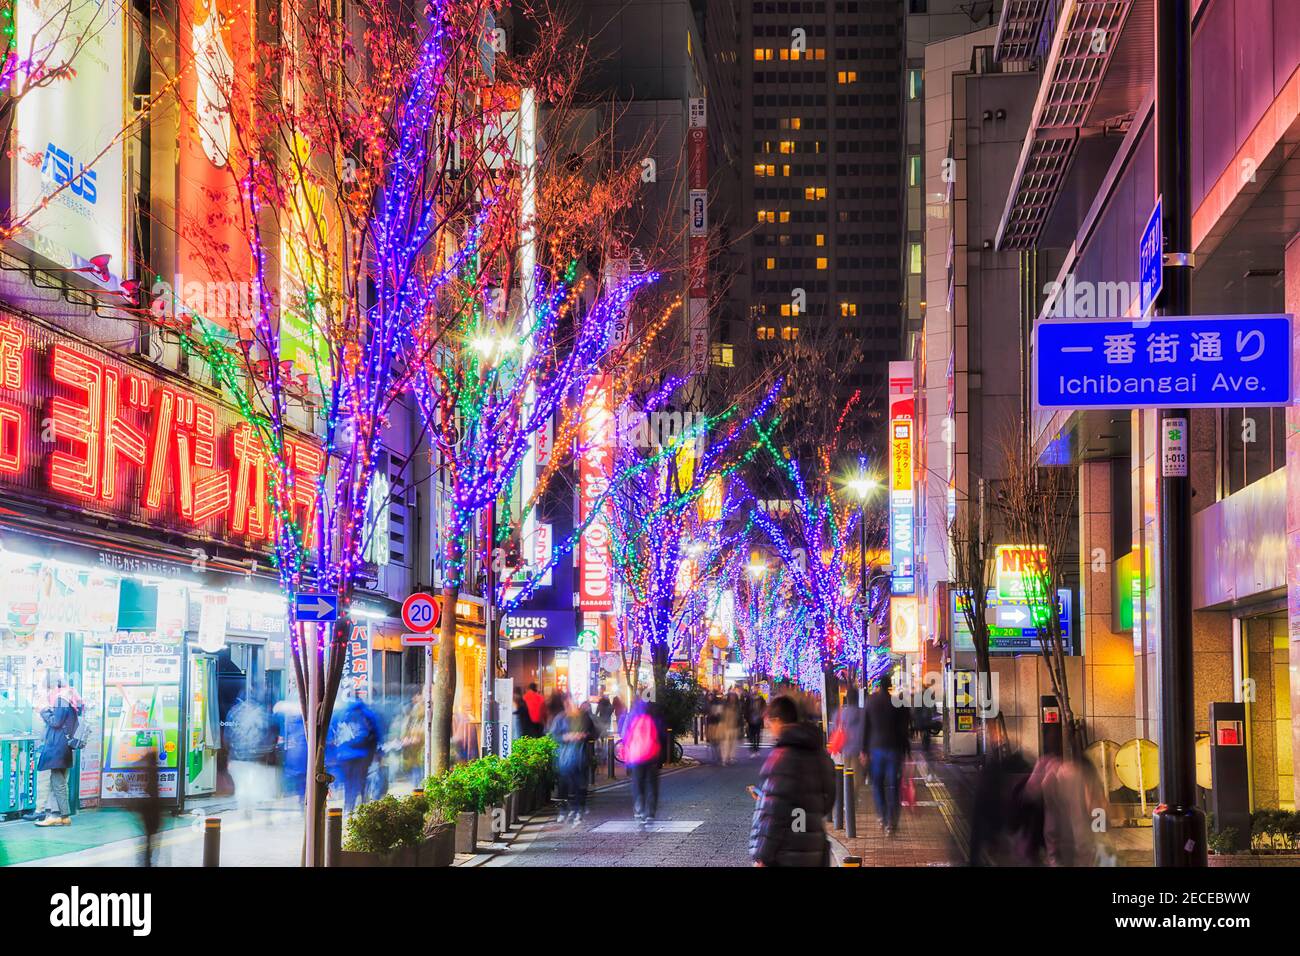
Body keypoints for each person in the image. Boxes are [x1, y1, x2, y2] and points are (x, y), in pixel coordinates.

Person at [748, 695, 836, 866]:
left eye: (769, 723)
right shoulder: (821, 755)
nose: (769, 728)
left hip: (785, 852)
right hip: (813, 849)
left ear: (778, 721)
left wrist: (762, 855)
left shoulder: (781, 758)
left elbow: (773, 813)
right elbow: (828, 802)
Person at [860, 672, 910, 836]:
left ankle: (882, 815)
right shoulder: (897, 703)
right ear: (889, 685)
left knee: (877, 784)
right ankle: (892, 821)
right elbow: (904, 730)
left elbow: (865, 727)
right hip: (894, 749)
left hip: (876, 749)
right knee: (894, 786)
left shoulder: (871, 702)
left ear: (878, 685)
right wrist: (906, 751)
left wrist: (863, 750)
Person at [31, 672, 82, 827]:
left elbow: (56, 722)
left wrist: (44, 710)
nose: (47, 693)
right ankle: (60, 816)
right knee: (59, 781)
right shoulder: (72, 698)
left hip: (58, 746)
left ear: (53, 686)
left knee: (57, 781)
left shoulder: (62, 699)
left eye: (48, 689)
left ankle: (59, 815)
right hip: (65, 746)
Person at [326, 692, 383, 814]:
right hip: (363, 753)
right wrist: (377, 753)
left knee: (348, 781)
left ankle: (348, 806)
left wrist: (335, 752)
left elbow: (333, 732)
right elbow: (376, 734)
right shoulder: (367, 713)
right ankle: (363, 804)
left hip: (344, 754)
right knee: (361, 779)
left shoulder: (341, 712)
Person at [226, 690, 277, 815]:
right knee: (263, 789)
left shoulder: (234, 712)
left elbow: (227, 736)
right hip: (257, 759)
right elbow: (271, 735)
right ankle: (266, 817)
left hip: (237, 758)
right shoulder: (263, 714)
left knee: (243, 788)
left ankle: (246, 812)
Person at [550, 694, 597, 825]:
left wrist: (584, 735)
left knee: (580, 784)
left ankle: (579, 810)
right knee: (565, 784)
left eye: (571, 703)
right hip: (565, 758)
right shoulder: (560, 718)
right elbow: (553, 735)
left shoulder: (584, 717)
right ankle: (568, 809)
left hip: (581, 756)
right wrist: (565, 737)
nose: (570, 706)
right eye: (567, 703)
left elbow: (594, 733)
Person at [621, 695, 665, 828]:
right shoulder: (655, 716)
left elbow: (624, 736)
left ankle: (639, 809)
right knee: (652, 784)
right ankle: (650, 813)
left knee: (638, 783)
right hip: (652, 754)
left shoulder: (631, 716)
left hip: (636, 755)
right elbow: (662, 735)